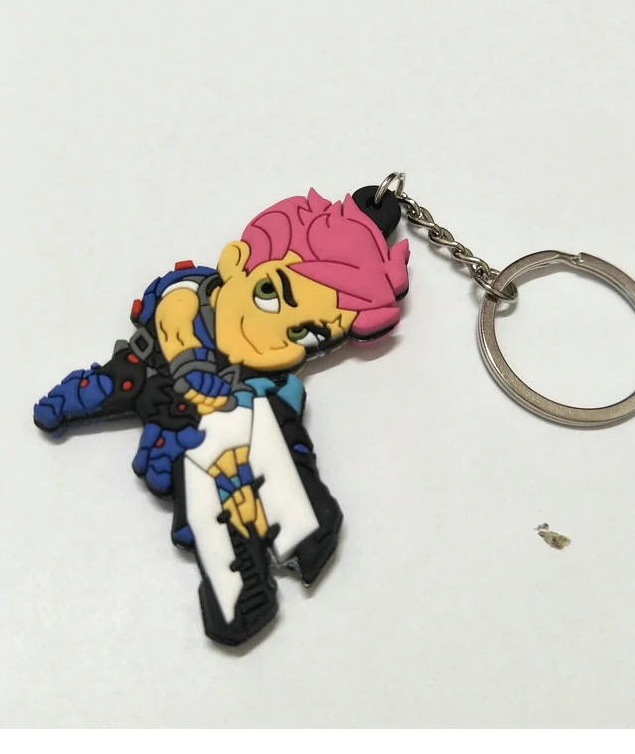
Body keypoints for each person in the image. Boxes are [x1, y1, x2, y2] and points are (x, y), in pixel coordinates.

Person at [34, 188, 410, 645]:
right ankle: (240, 576)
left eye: (304, 334)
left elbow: (287, 439)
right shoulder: (174, 322)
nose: (274, 337)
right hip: (181, 441)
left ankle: (295, 530)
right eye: (270, 295)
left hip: (232, 452)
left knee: (261, 434)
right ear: (235, 264)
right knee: (212, 483)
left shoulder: (269, 390)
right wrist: (66, 403)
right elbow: (126, 366)